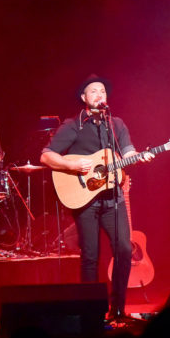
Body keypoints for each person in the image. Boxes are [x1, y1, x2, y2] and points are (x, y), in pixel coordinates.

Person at [40, 75, 153, 322]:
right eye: (93, 91)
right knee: (91, 255)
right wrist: (71, 167)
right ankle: (90, 312)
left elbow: (127, 151)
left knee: (124, 249)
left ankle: (119, 309)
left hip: (113, 197)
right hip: (85, 200)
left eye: (102, 91)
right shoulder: (73, 125)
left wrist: (138, 156)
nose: (99, 95)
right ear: (84, 98)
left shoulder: (116, 124)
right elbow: (47, 156)